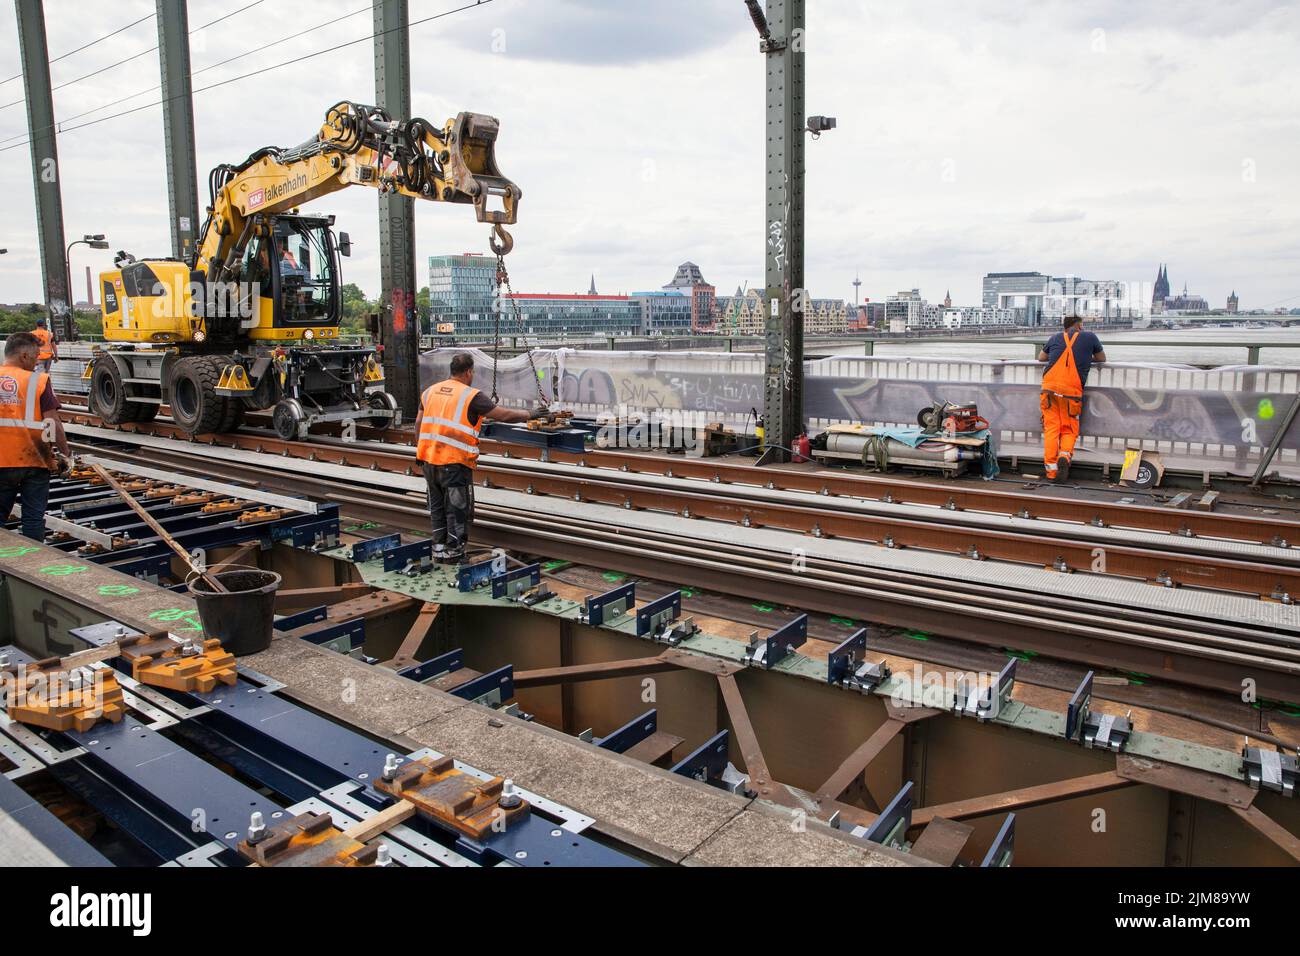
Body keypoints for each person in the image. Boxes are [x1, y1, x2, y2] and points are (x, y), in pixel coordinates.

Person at [416, 353, 543, 563]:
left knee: (437, 507)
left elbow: (419, 422)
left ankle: (439, 550)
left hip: (429, 460)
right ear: (468, 372)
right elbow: (503, 415)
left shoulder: (430, 391)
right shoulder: (471, 396)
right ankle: (454, 554)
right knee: (457, 510)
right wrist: (531, 414)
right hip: (454, 463)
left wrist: (419, 450)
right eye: (472, 372)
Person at [0, 332, 72, 540]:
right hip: (35, 460)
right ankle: (35, 562)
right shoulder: (38, 381)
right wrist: (66, 454)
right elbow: (54, 421)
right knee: (33, 519)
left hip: (1, 462)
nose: (36, 362)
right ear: (23, 355)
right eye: (35, 357)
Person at [1037, 314, 1106, 482]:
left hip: (1049, 389)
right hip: (1071, 392)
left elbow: (1041, 357)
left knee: (1052, 429)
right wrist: (1084, 357)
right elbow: (1101, 359)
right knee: (1068, 428)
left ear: (1064, 327)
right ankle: (1065, 455)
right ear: (1080, 326)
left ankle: (1051, 472)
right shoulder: (1090, 337)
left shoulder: (1055, 337)